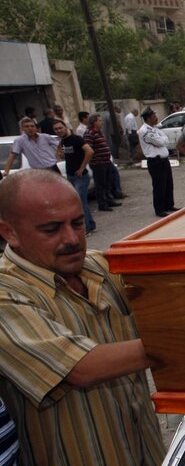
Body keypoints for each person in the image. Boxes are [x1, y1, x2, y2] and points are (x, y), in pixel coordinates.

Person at [0, 170, 166, 465]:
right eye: (51, 229)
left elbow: (167, 296)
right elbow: (82, 368)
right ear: (9, 232)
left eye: (78, 223)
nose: (73, 239)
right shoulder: (6, 293)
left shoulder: (98, 266)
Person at [54, 119, 96, 235]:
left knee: (81, 203)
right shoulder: (63, 141)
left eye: (60, 128)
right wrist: (59, 152)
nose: (59, 131)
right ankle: (89, 225)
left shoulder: (76, 139)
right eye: (56, 129)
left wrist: (82, 167)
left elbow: (89, 151)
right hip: (71, 175)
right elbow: (62, 155)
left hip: (81, 176)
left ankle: (88, 227)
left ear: (65, 127)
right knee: (77, 203)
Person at [138, 108, 178, 217]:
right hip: (155, 161)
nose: (156, 118)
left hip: (164, 159)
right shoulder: (145, 131)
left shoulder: (155, 128)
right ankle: (159, 209)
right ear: (148, 118)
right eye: (154, 116)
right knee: (159, 185)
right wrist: (163, 140)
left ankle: (169, 204)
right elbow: (161, 142)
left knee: (168, 183)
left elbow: (166, 139)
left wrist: (163, 140)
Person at [83, 114, 120, 212]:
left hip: (106, 161)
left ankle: (109, 199)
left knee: (108, 182)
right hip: (98, 163)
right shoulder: (89, 133)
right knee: (100, 184)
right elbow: (88, 148)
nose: (101, 122)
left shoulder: (98, 132)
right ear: (94, 122)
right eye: (99, 120)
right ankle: (102, 204)